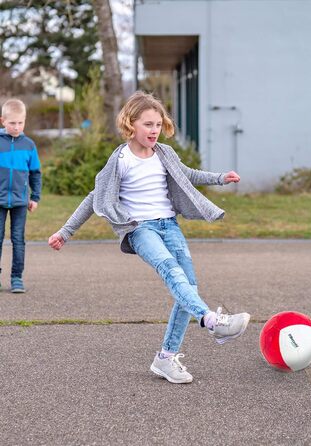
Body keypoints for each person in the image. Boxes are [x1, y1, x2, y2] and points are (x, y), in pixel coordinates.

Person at [48, 91, 250, 384]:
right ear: (131, 124)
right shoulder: (120, 159)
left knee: (188, 287)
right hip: (140, 229)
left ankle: (166, 359)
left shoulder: (165, 154)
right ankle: (211, 321)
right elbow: (95, 197)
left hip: (170, 226)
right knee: (171, 270)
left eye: (158, 124)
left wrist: (220, 178)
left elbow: (187, 174)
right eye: (147, 124)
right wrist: (65, 232)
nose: (154, 130)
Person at [0, 98, 42, 293]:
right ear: (3, 121)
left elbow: (35, 173)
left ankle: (17, 277)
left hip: (19, 202)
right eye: (12, 123)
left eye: (20, 123)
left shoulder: (29, 145)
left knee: (18, 239)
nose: (17, 127)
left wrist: (35, 198)